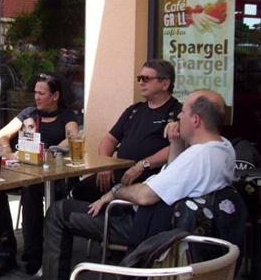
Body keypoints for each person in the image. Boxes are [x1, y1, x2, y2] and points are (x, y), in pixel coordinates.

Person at [26, 89, 235, 280]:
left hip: (146, 227)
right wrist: (175, 142)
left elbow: (146, 195)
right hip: (168, 224)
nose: (178, 117)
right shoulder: (223, 148)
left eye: (183, 112)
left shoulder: (198, 157)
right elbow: (175, 175)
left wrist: (115, 192)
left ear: (196, 120)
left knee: (59, 211)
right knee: (82, 195)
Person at [0, 73, 80, 277]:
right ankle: (5, 250)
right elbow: (1, 135)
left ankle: (34, 253)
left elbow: (73, 137)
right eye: (35, 92)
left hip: (54, 176)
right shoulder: (28, 113)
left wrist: (48, 151)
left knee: (31, 191)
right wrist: (7, 150)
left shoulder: (66, 116)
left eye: (42, 93)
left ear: (55, 96)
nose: (36, 97)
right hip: (23, 170)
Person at [71, 60, 182, 203]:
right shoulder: (134, 110)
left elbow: (177, 147)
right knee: (78, 192)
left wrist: (142, 165)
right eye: (139, 78)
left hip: (149, 179)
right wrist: (105, 165)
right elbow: (109, 140)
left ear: (165, 84)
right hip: (118, 173)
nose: (140, 83)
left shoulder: (178, 113)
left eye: (146, 79)